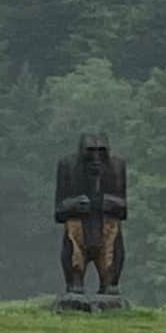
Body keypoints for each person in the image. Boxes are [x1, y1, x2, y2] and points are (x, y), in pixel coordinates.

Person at [52, 131, 128, 306]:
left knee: (110, 286)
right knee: (75, 287)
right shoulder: (68, 166)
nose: (95, 159)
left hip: (107, 229)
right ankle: (75, 282)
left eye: (101, 152)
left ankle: (109, 281)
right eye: (90, 152)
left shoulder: (116, 167)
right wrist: (72, 205)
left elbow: (124, 209)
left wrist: (110, 203)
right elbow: (58, 211)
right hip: (78, 231)